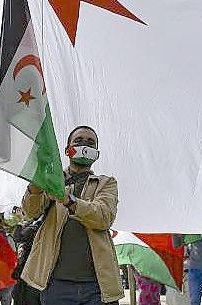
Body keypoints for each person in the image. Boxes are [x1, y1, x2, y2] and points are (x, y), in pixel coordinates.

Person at [21, 125, 123, 305]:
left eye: (91, 142)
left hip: (97, 287)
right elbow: (30, 212)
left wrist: (70, 201)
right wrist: (36, 183)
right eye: (79, 141)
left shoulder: (106, 183)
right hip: (55, 285)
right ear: (68, 149)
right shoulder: (51, 180)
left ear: (96, 153)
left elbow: (104, 217)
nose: (85, 144)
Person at [11, 218, 42, 305]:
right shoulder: (33, 223)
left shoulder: (38, 224)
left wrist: (20, 221)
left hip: (30, 271)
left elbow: (18, 237)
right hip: (26, 270)